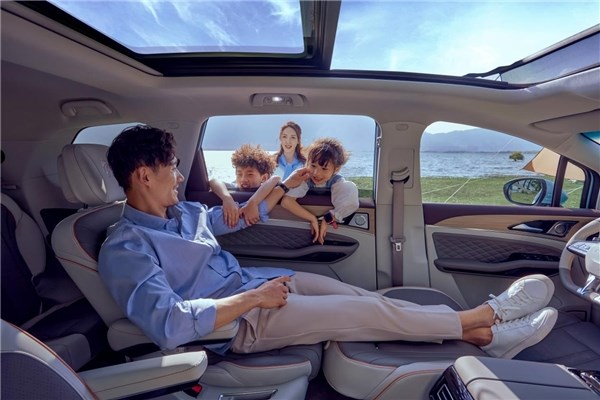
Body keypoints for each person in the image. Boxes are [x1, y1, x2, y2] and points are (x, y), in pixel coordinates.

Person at [99, 124, 557, 361]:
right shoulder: (127, 248)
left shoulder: (187, 214)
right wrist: (253, 298)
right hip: (240, 322)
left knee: (365, 297)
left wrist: (269, 186)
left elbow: (249, 215)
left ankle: (481, 338)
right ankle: (485, 318)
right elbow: (170, 324)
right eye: (173, 168)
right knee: (365, 313)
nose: (180, 176)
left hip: (263, 284)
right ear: (144, 175)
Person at [281, 137, 359, 244]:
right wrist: (312, 218)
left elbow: (350, 200)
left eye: (324, 168)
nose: (316, 173)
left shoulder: (337, 181)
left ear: (336, 169)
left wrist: (328, 219)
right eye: (313, 166)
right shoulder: (305, 178)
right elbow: (286, 201)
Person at [209, 144, 279, 227]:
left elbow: (276, 179)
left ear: (264, 178)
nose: (243, 179)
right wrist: (227, 198)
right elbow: (213, 181)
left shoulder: (265, 190)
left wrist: (253, 203)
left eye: (250, 174)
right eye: (239, 174)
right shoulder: (234, 188)